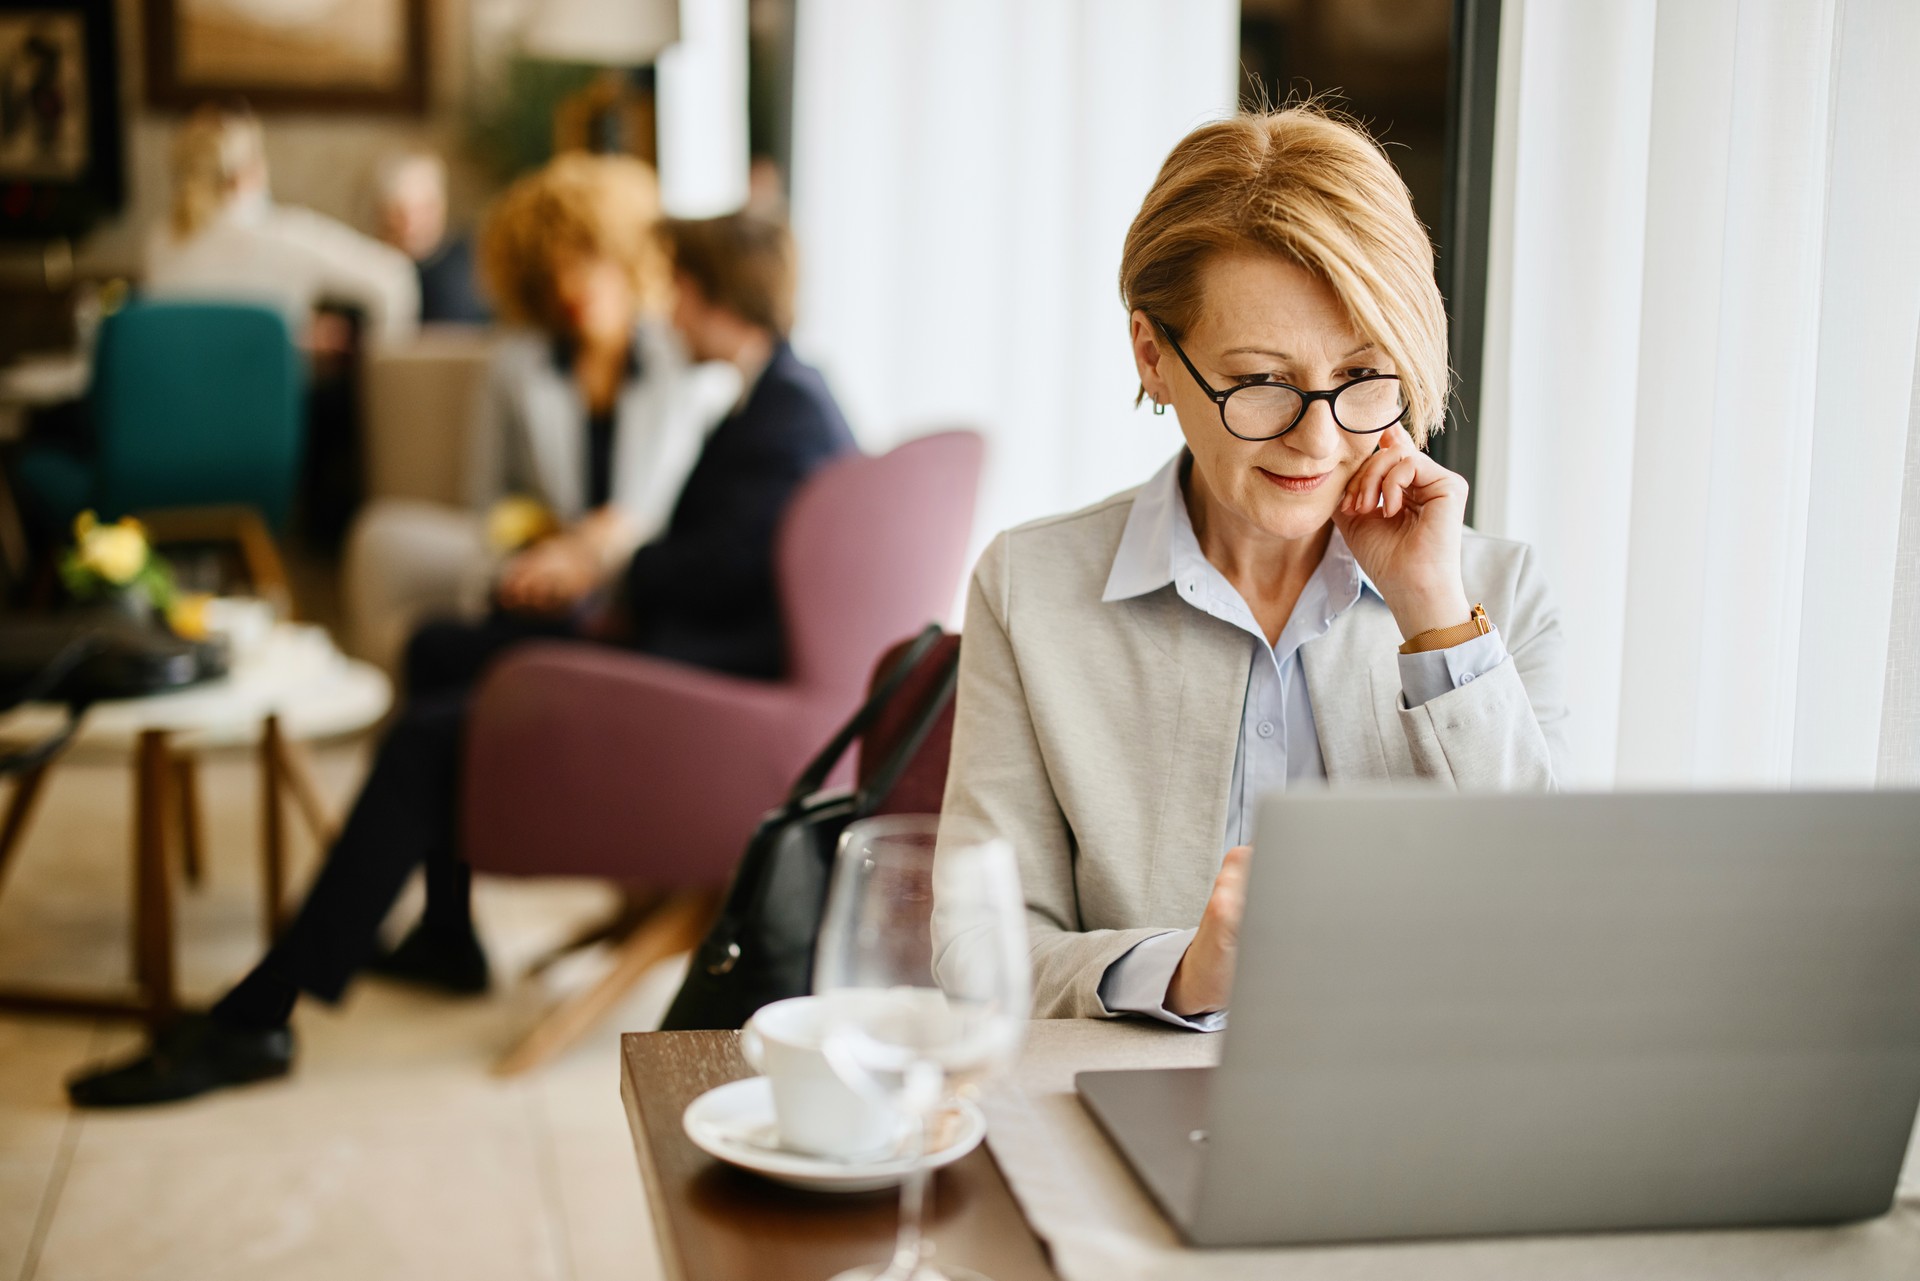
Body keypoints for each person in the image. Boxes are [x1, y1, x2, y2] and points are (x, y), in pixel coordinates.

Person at [67, 212, 858, 1107]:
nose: (667, 303)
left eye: (680, 285)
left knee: (428, 743)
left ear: (720, 298)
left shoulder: (782, 423)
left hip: (693, 700)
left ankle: (260, 1013)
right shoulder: (789, 399)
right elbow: (720, 567)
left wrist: (620, 569)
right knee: (439, 649)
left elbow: (710, 569)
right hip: (681, 654)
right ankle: (446, 932)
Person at [933, 105, 1570, 1028]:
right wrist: (1184, 974)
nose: (1318, 438)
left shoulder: (1499, 598)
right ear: (1153, 354)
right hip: (1123, 1101)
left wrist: (1433, 614)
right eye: (1263, 381)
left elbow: (1553, 936)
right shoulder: (1029, 589)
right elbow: (978, 952)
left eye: (1361, 378)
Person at [344, 153, 735, 668]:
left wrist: (589, 553)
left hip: (638, 580)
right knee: (424, 618)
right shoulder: (515, 367)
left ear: (627, 256)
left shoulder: (681, 364)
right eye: (555, 267)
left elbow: (674, 510)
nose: (572, 284)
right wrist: (537, 554)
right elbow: (488, 504)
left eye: (589, 257)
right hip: (543, 582)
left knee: (438, 657)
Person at [145, 105, 418, 345]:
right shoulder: (289, 236)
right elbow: (395, 279)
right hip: (272, 401)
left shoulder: (160, 241)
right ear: (248, 173)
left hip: (181, 403)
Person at [372, 149, 491, 324]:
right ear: (382, 216)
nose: (410, 225)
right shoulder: (367, 268)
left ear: (440, 208)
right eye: (399, 213)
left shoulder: (467, 272)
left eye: (422, 211)